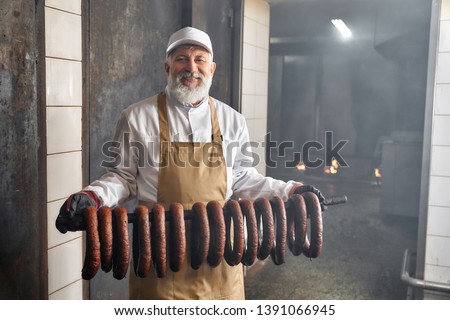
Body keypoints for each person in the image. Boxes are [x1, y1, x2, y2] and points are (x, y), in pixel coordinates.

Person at [57, 26, 325, 300]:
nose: (191, 67)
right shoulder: (137, 117)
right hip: (159, 249)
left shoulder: (232, 120)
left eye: (200, 59)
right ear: (167, 66)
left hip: (220, 250)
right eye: (181, 58)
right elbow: (123, 177)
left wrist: (290, 190)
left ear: (212, 68)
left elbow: (243, 177)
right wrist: (93, 196)